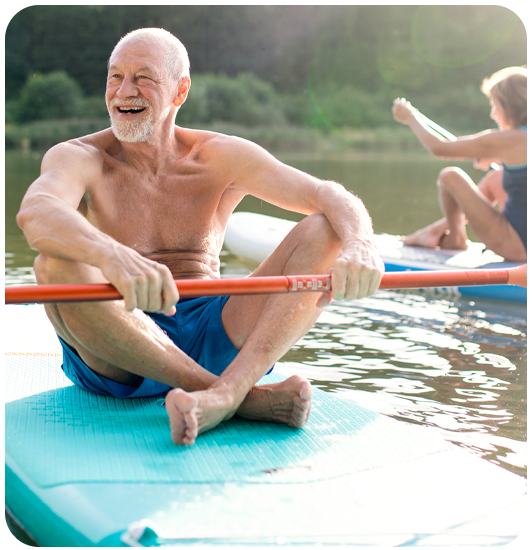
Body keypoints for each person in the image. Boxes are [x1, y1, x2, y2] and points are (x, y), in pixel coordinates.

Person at [16, 28, 384, 446]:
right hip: (118, 349)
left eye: (143, 78)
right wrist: (112, 256)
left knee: (325, 228)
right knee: (54, 264)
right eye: (115, 77)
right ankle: (239, 397)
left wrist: (361, 243)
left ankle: (231, 388)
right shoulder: (78, 156)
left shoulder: (220, 155)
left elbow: (326, 194)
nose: (124, 91)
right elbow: (36, 211)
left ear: (180, 91)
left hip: (215, 330)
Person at [393, 66, 532, 262]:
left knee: (450, 177)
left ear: (510, 105)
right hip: (525, 245)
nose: (493, 114)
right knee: (495, 177)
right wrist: (500, 158)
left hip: (518, 248)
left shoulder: (510, 139)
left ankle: (456, 238)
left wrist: (411, 117)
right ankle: (434, 231)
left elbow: (440, 148)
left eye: (495, 105)